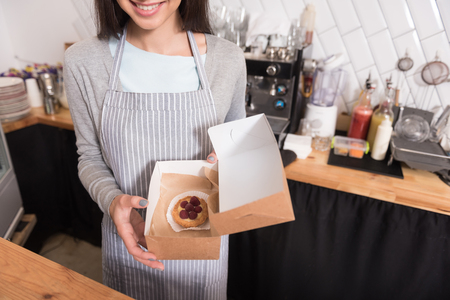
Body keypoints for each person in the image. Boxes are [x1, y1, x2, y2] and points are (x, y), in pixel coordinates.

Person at [63, 0, 246, 299]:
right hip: (129, 243)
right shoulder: (83, 61)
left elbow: (237, 145)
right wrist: (112, 201)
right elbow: (90, 157)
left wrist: (230, 161)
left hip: (203, 250)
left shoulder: (227, 58)